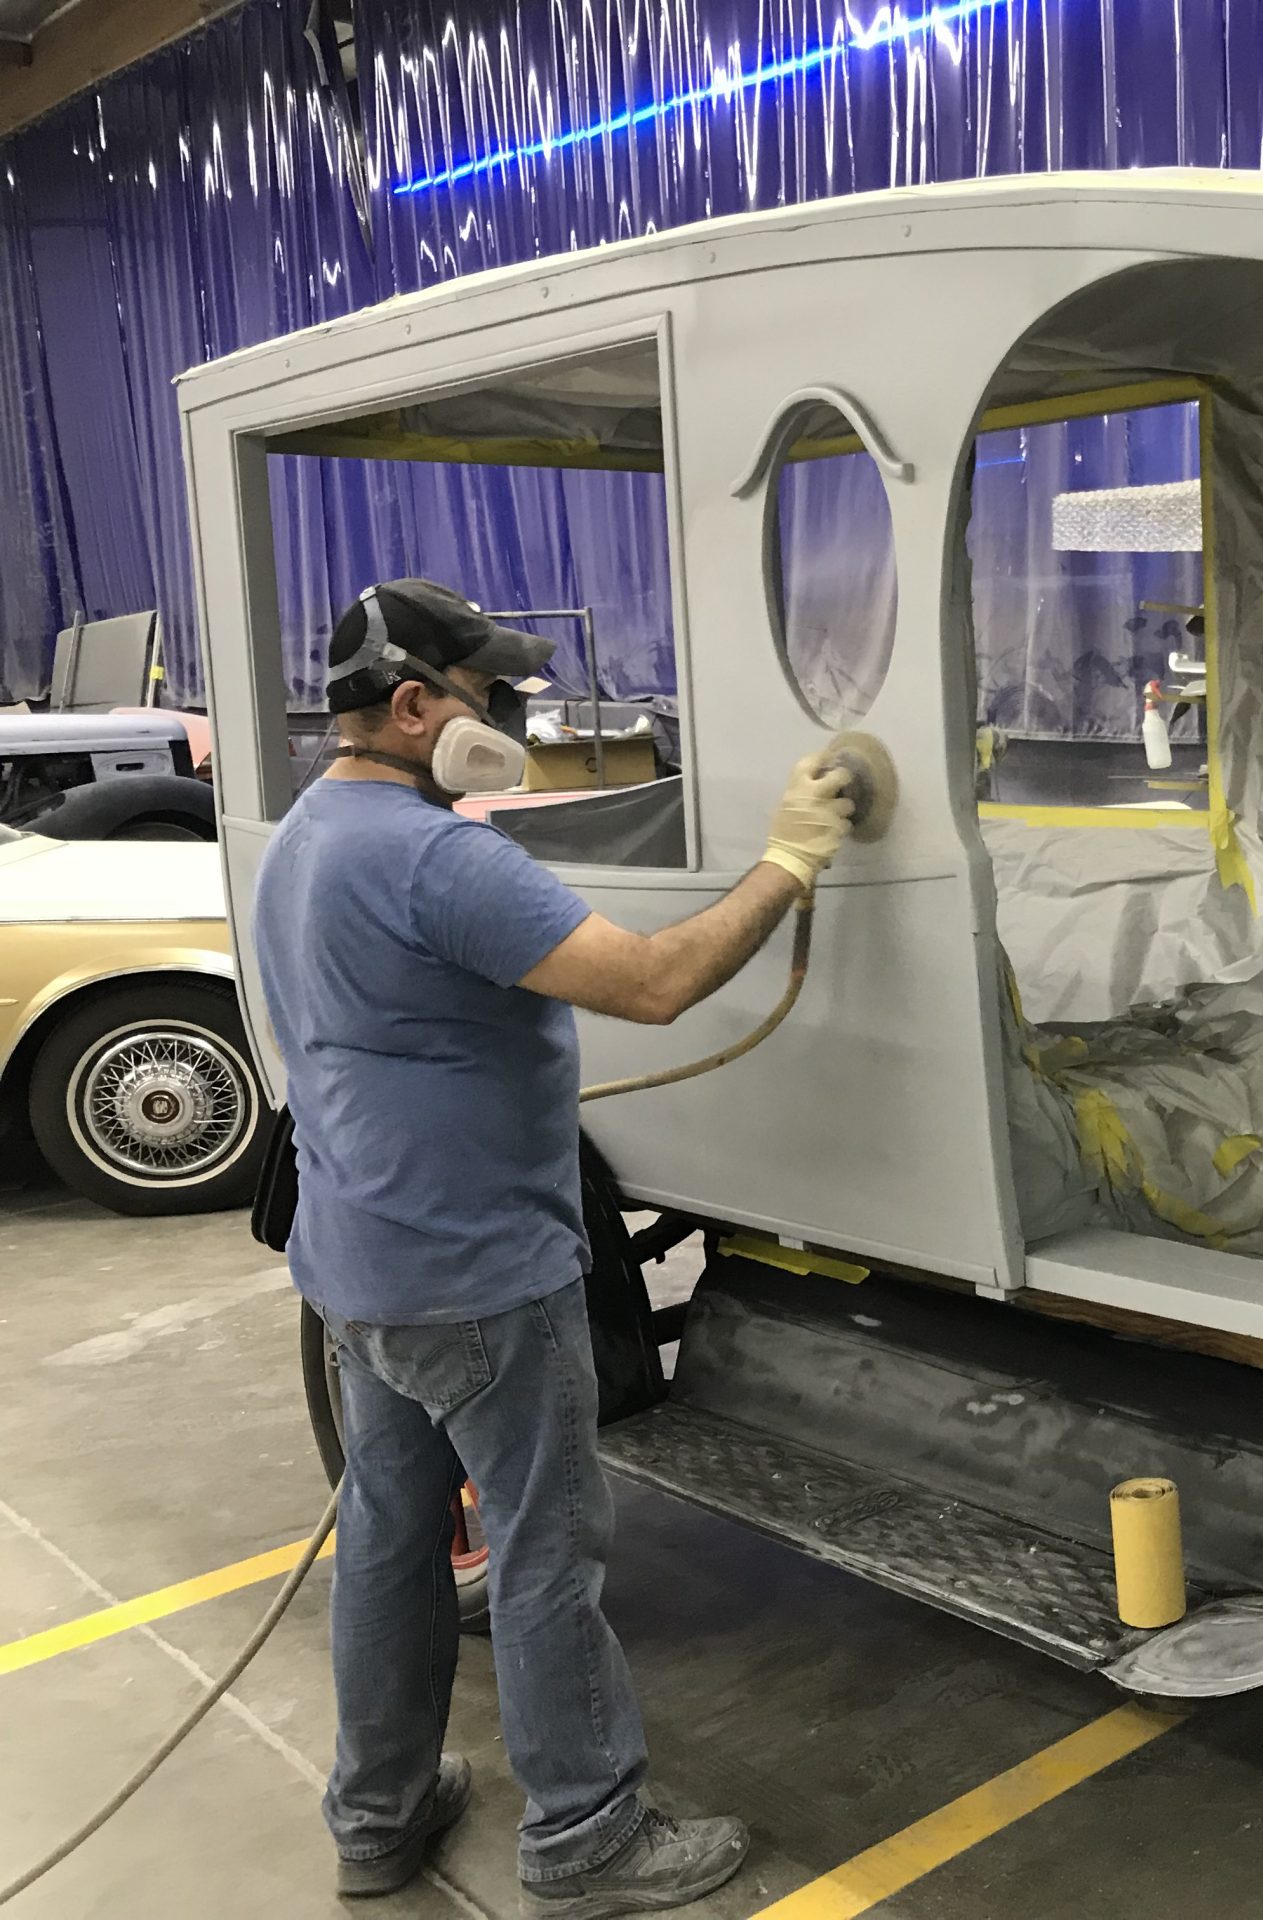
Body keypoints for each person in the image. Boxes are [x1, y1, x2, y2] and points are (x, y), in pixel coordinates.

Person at [253, 580, 856, 1917]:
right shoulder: (431, 856)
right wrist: (791, 861)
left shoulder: (306, 837)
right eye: (491, 696)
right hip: (475, 1278)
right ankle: (586, 1837)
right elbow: (651, 982)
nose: (512, 717)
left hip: (362, 1271)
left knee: (392, 1543)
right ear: (415, 707)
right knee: (545, 1553)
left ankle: (378, 1814)